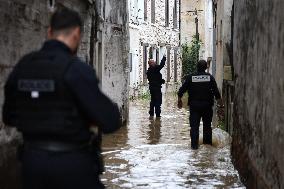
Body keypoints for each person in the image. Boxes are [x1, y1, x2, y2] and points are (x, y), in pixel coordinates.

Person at [2, 8, 121, 189]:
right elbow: (111, 121)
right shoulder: (76, 70)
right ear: (77, 34)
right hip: (72, 164)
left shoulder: (23, 66)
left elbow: (8, 117)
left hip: (31, 164)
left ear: (49, 32)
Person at [177, 60, 222, 150]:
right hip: (207, 106)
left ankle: (194, 148)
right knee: (207, 127)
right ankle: (207, 148)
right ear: (206, 68)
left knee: (194, 127)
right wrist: (221, 106)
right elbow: (216, 93)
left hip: (194, 106)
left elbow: (181, 90)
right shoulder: (210, 77)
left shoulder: (190, 77)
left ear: (197, 67)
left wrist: (179, 101)